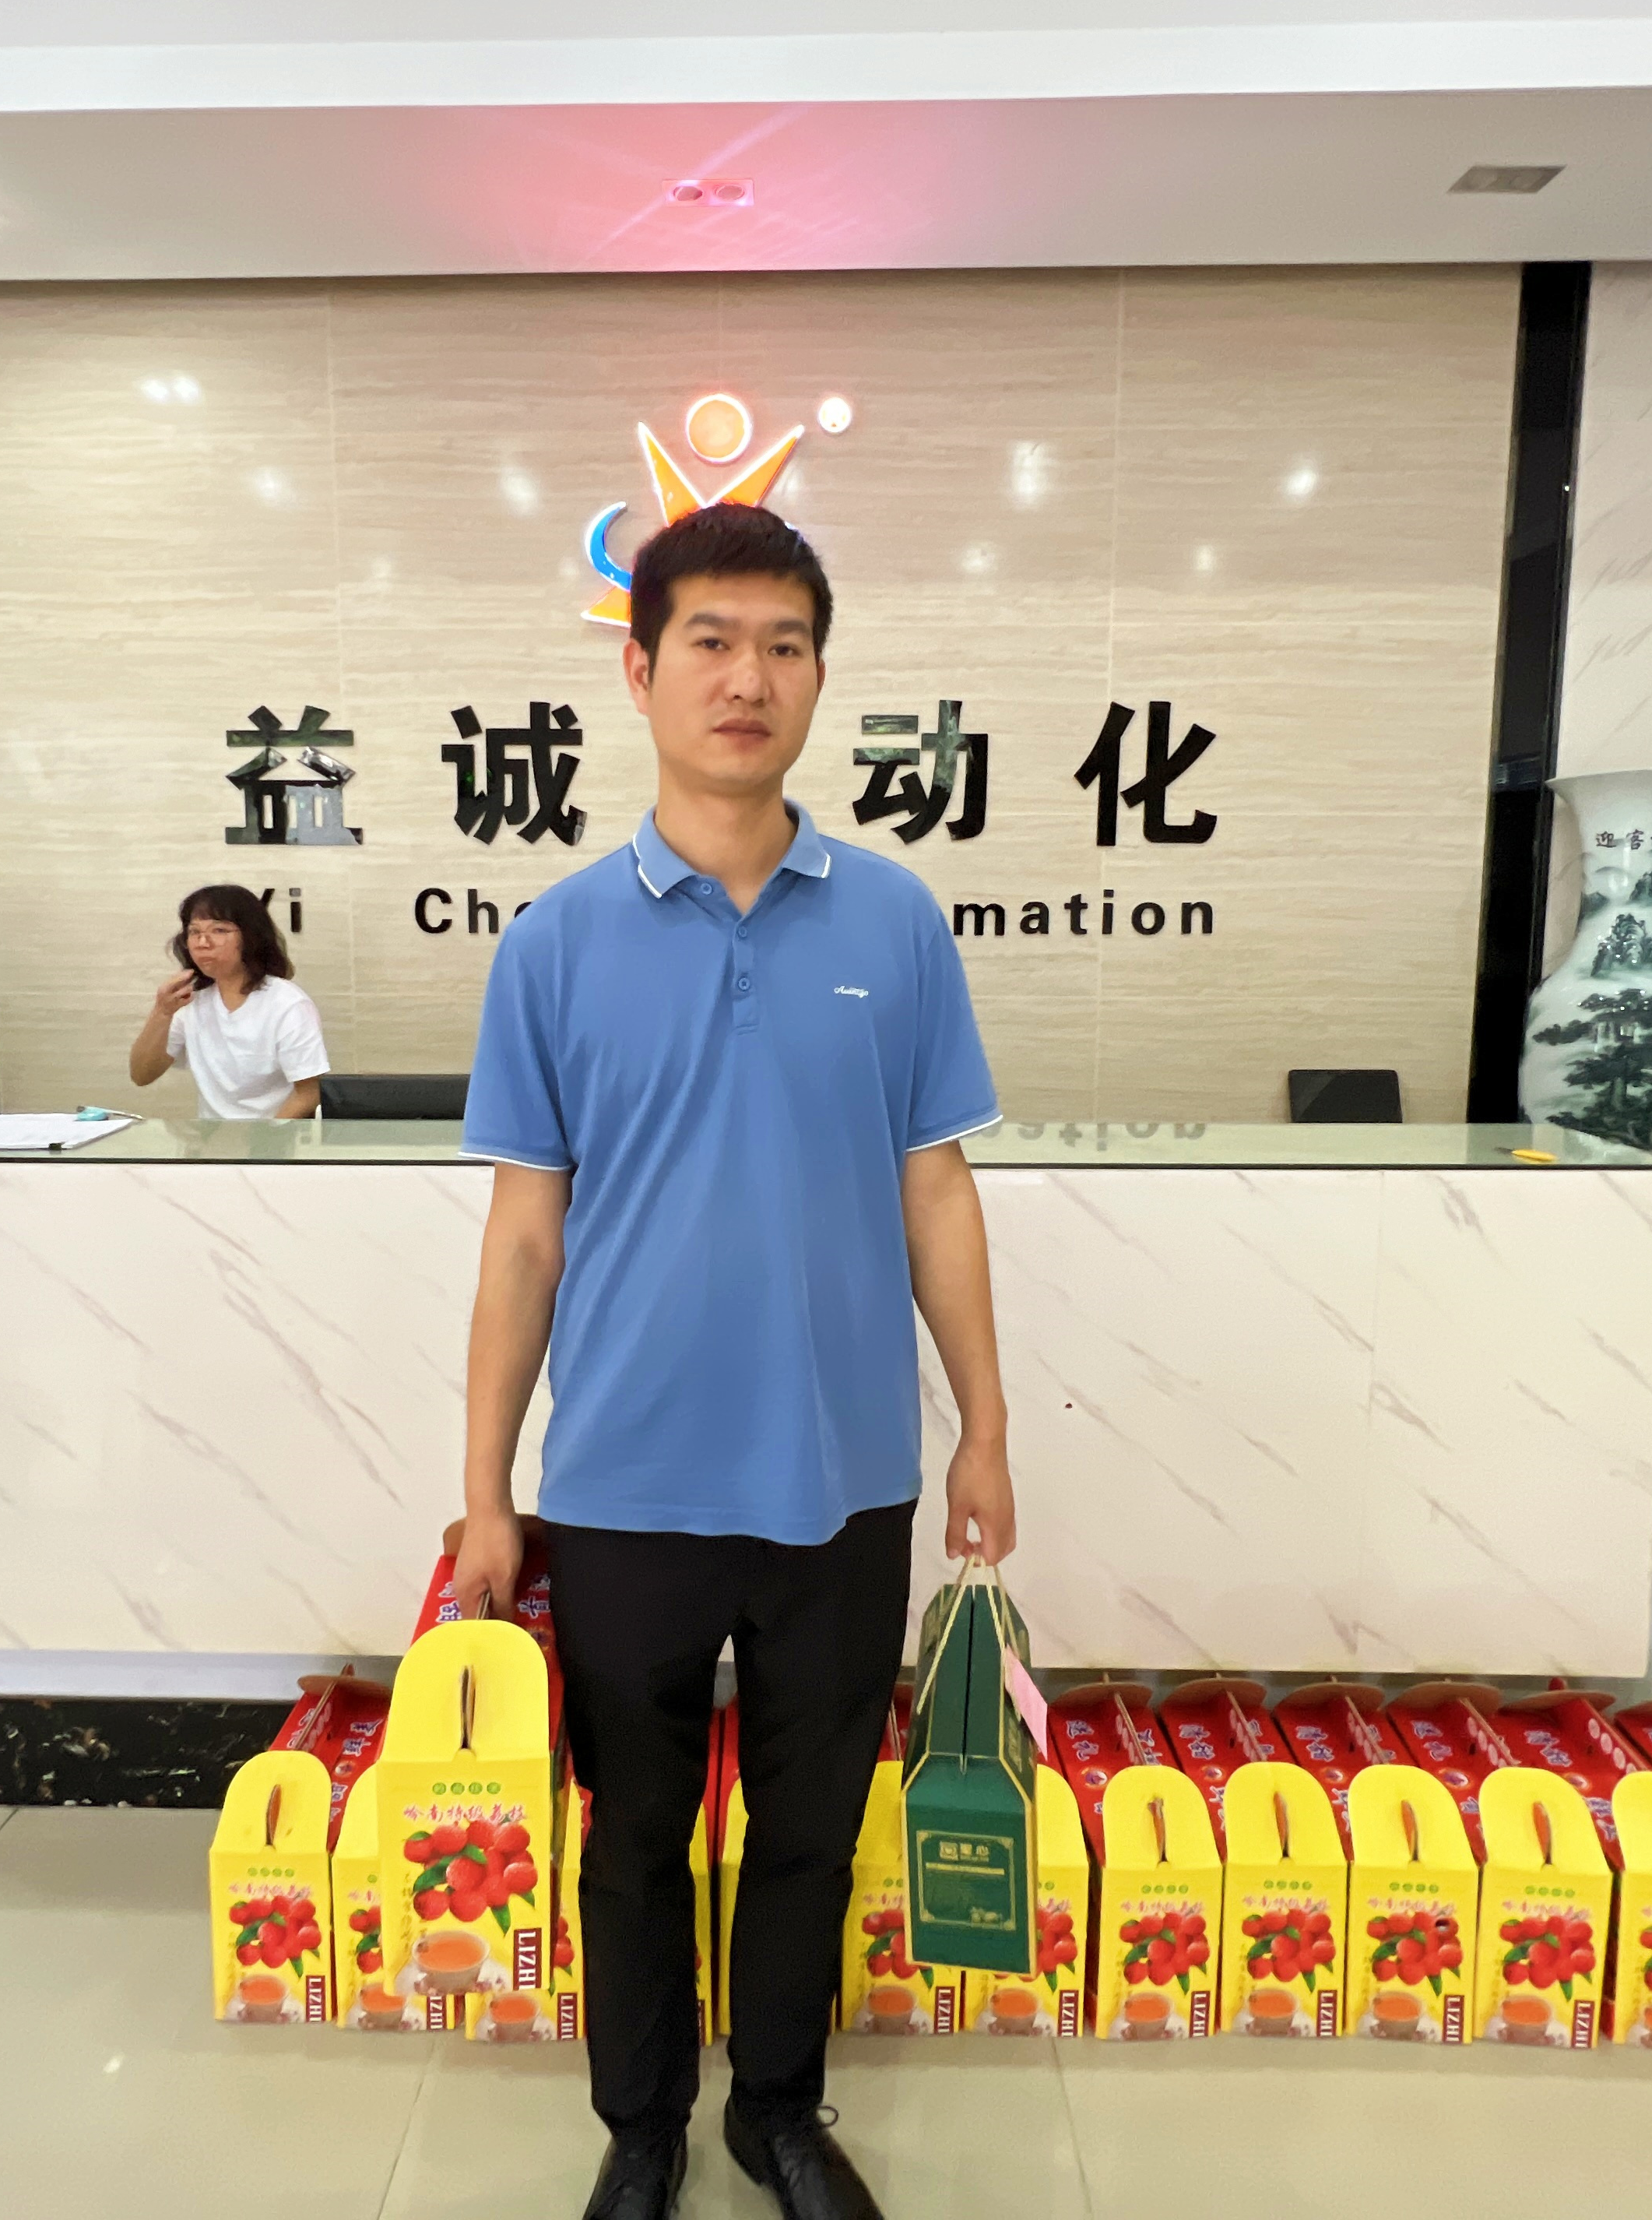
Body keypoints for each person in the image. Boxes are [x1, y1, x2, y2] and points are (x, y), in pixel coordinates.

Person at [449, 504, 1014, 2220]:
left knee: (808, 1823)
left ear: (820, 676)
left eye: (782, 644)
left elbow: (936, 1187)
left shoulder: (895, 923)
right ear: (639, 670)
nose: (746, 677)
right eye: (709, 640)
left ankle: (777, 2107)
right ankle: (640, 2126)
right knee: (630, 1832)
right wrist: (486, 1488)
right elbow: (524, 1235)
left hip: (845, 1473)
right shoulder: (554, 941)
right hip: (625, 1479)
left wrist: (984, 1427)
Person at [126, 884, 327, 1120]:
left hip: (275, 1137)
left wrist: (263, 1138)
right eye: (194, 932)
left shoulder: (287, 1003)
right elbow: (142, 1075)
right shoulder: (190, 1001)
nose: (203, 942)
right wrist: (162, 1012)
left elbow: (309, 1093)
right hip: (213, 1138)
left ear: (250, 937)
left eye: (219, 930)